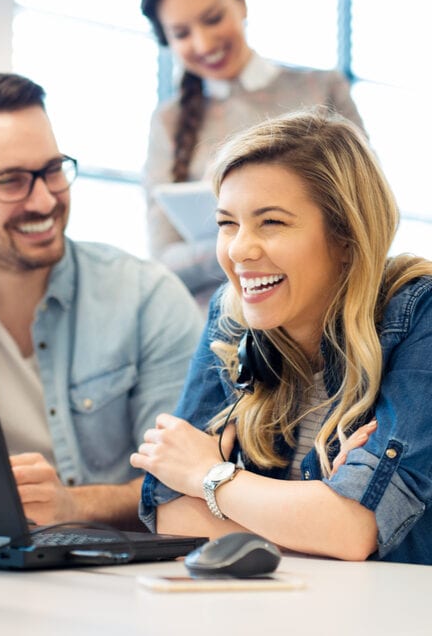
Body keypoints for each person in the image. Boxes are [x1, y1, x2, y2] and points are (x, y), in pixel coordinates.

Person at [0, 72, 203, 530]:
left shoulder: (148, 297)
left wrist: (74, 505)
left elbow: (186, 483)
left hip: (109, 581)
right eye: (11, 181)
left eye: (52, 170)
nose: (45, 199)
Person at [130, 109, 432, 565]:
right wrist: (316, 511)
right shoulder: (231, 316)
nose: (238, 249)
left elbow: (351, 531)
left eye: (271, 222)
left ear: (346, 236)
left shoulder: (418, 315)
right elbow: (173, 516)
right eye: (227, 223)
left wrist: (208, 476)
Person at [140, 0, 365, 304]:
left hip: (325, 311)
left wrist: (223, 238)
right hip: (219, 329)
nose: (203, 43)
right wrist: (253, 239)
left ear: (241, 2)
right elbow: (163, 259)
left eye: (213, 18)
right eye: (182, 33)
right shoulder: (168, 123)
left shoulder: (321, 90)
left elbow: (366, 212)